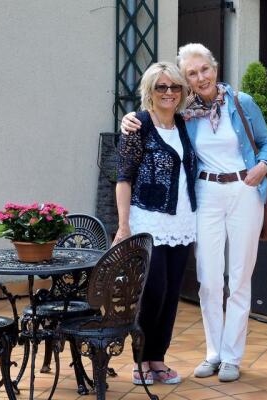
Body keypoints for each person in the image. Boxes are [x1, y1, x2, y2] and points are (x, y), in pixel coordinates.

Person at [121, 43, 267, 382]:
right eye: (191, 73)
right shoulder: (185, 113)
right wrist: (129, 119)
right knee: (208, 279)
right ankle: (213, 353)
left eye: (204, 69)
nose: (200, 77)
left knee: (239, 278)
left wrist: (264, 165)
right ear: (186, 80)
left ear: (215, 67)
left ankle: (232, 357)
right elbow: (154, 116)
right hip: (205, 195)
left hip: (245, 191)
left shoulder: (242, 103)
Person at [114, 61, 197, 386]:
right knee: (153, 292)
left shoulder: (185, 124)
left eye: (174, 87)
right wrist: (123, 226)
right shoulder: (139, 126)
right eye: (161, 87)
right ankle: (139, 361)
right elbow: (123, 178)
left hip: (183, 221)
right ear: (150, 91)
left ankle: (158, 359)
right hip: (148, 222)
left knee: (172, 293)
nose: (169, 93)